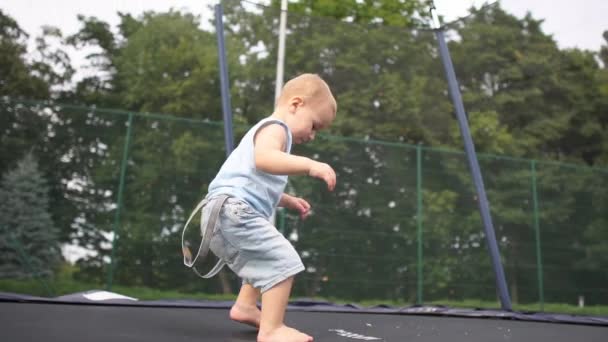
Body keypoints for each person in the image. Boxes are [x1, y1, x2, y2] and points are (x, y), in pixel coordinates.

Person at [204, 73, 337, 342]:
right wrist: (311, 165)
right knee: (282, 260)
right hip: (232, 211)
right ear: (296, 104)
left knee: (261, 258)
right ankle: (272, 329)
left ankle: (245, 306)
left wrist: (286, 199)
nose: (312, 136)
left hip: (222, 210)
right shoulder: (276, 128)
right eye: (314, 125)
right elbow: (264, 160)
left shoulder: (267, 131)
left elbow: (255, 179)